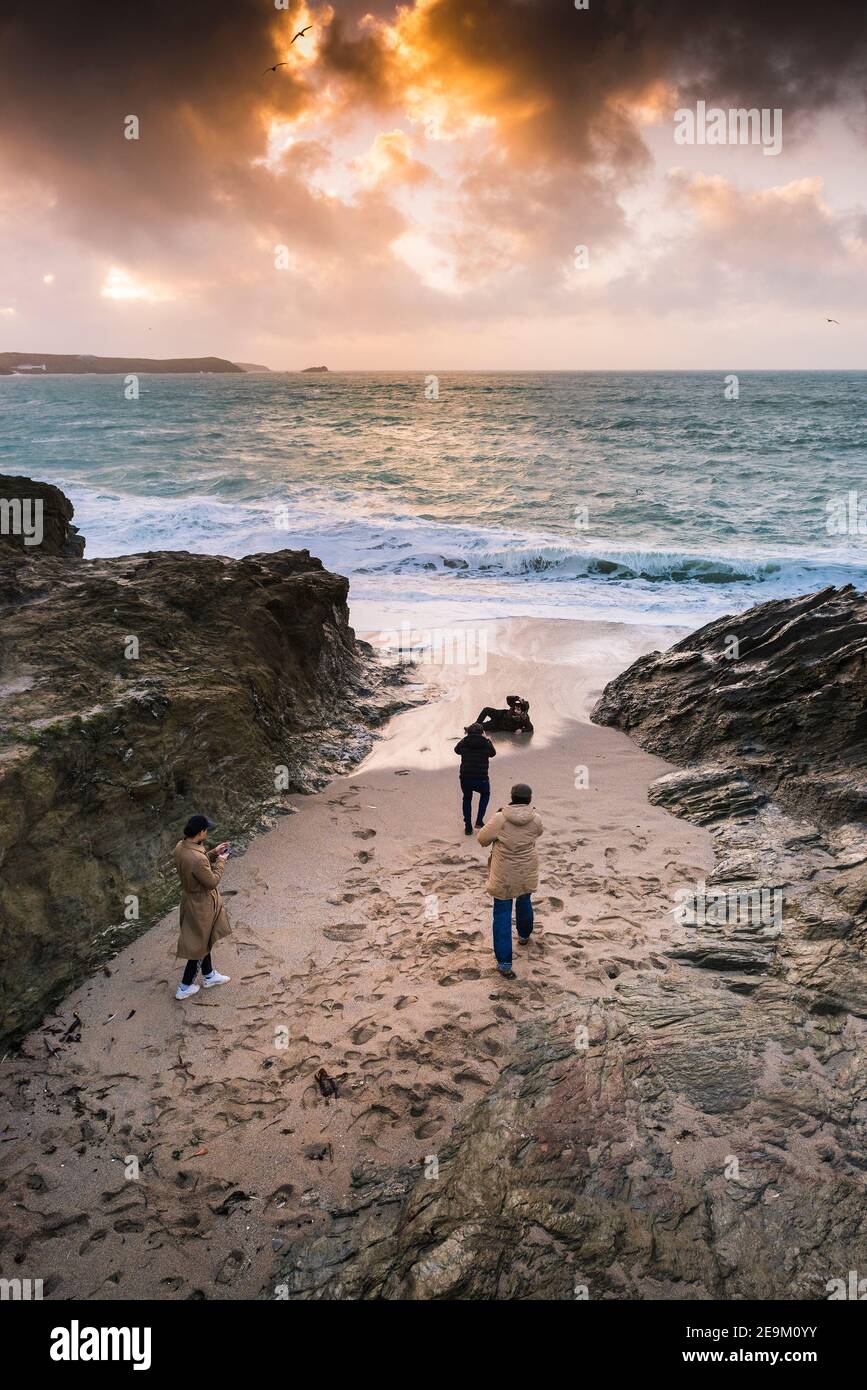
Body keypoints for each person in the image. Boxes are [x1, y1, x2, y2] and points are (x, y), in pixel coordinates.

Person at [476, 783, 543, 978]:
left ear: (511, 796)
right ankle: (524, 936)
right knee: (524, 901)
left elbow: (482, 839)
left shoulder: (500, 818)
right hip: (526, 870)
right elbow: (538, 833)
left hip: (504, 873)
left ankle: (505, 962)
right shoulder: (536, 818)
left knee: (502, 914)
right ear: (529, 799)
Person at [173, 815, 232, 1000]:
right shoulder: (196, 858)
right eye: (206, 830)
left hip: (190, 901)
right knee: (200, 946)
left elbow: (197, 863)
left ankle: (209, 975)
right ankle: (184, 987)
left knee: (203, 939)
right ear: (201, 833)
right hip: (201, 904)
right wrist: (222, 860)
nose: (207, 832)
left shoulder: (181, 846)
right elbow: (212, 881)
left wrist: (214, 852)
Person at [454, 722, 496, 835]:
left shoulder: (465, 742)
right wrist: (487, 739)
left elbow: (456, 750)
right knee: (485, 794)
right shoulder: (485, 743)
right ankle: (479, 821)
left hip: (465, 777)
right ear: (482, 733)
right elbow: (493, 753)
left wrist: (465, 739)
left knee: (467, 798)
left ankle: (468, 827)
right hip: (481, 778)